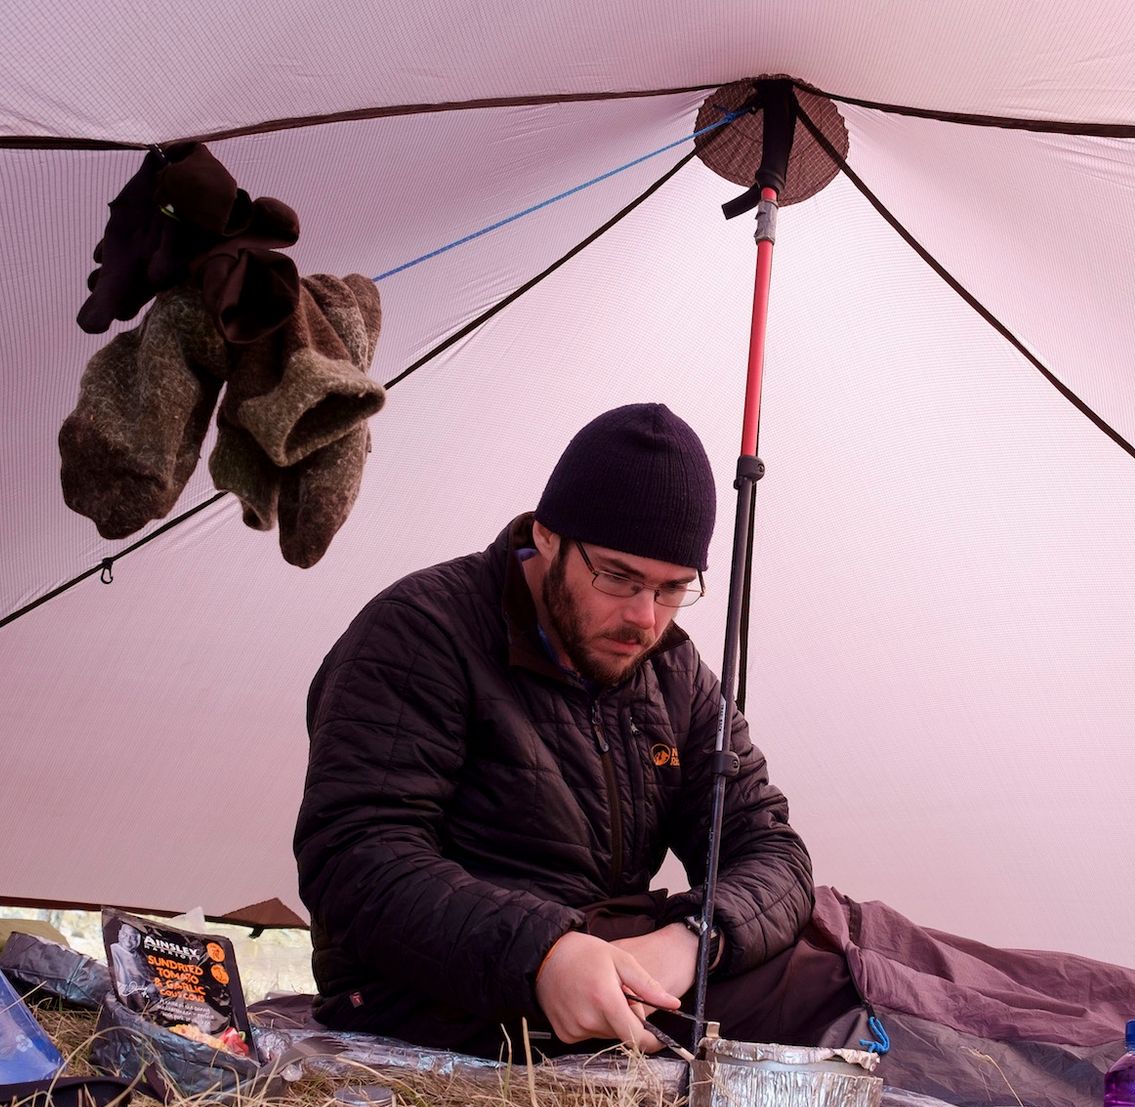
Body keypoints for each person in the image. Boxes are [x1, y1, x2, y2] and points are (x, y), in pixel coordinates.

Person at [295, 403, 861, 1058]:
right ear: (547, 536)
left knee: (858, 939)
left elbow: (769, 846)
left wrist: (694, 939)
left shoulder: (674, 671)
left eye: (673, 588)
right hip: (436, 989)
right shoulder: (421, 632)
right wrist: (544, 954)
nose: (645, 618)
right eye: (618, 577)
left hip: (614, 956)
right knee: (840, 985)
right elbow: (354, 857)